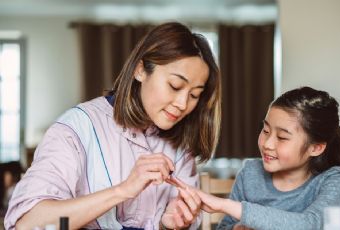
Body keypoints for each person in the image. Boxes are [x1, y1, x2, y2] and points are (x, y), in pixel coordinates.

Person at [5, 22, 221, 230]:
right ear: (140, 70)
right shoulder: (76, 129)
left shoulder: (181, 148)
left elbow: (177, 223)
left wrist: (168, 224)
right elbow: (27, 222)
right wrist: (122, 191)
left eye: (194, 95)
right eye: (175, 86)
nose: (183, 104)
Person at [193, 87, 340, 230]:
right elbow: (225, 227)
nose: (268, 144)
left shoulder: (336, 179)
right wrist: (237, 228)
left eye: (282, 137)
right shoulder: (251, 173)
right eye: (266, 131)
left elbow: (311, 224)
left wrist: (224, 205)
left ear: (315, 148)